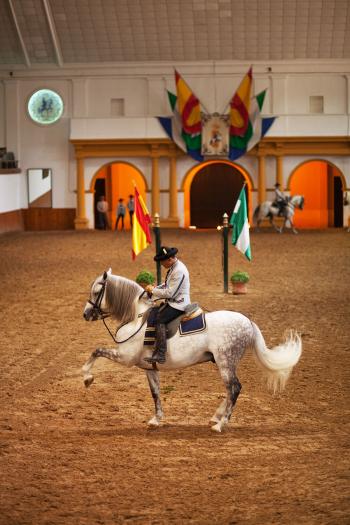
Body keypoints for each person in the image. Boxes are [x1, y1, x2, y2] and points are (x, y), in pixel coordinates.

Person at [144, 246, 191, 365]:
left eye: (162, 261)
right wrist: (154, 288)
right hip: (174, 301)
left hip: (179, 304)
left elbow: (170, 293)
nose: (161, 264)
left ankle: (161, 354)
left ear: (169, 259)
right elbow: (166, 285)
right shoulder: (173, 268)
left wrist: (153, 291)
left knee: (160, 319)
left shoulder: (179, 270)